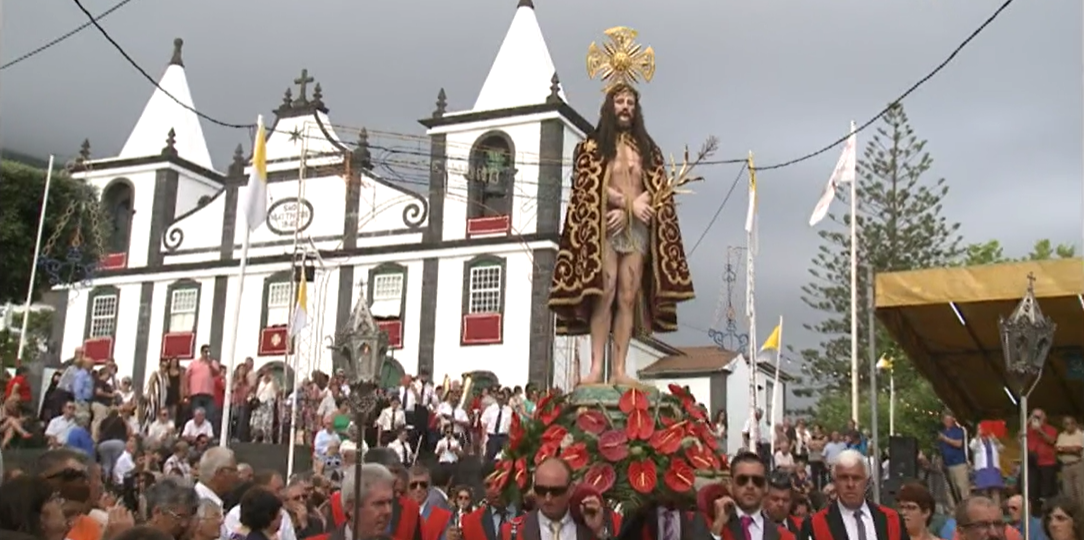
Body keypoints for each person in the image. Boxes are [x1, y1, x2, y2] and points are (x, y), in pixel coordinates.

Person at [548, 25, 694, 386]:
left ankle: (619, 369)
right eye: (620, 102)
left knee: (628, 297)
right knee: (605, 292)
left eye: (630, 102)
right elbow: (587, 186)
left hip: (636, 230)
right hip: (606, 227)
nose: (625, 107)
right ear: (609, 106)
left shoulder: (648, 149)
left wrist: (643, 202)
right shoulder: (593, 146)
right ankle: (597, 368)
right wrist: (629, 203)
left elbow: (659, 187)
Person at [796, 449, 907, 540]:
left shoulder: (891, 520)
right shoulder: (815, 525)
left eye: (856, 478)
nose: (850, 484)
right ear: (834, 482)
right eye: (844, 478)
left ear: (867, 482)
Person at [499, 457, 610, 540]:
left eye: (556, 491)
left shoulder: (589, 528)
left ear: (571, 490)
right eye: (541, 490)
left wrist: (599, 532)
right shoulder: (510, 532)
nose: (548, 498)